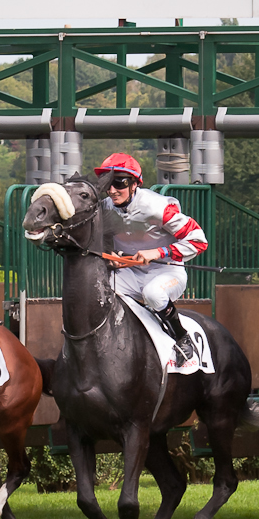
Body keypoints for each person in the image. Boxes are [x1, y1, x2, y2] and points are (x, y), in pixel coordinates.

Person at [95, 153, 206, 362]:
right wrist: (109, 256)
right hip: (128, 273)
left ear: (134, 184)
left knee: (153, 293)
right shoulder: (104, 208)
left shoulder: (159, 207)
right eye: (108, 184)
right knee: (99, 290)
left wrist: (158, 252)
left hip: (167, 272)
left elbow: (199, 241)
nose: (112, 190)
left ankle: (182, 337)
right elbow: (99, 240)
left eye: (119, 183)